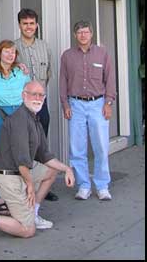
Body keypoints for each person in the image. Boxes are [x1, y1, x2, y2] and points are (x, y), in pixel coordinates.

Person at [0, 81, 75, 242]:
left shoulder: (33, 118)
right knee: (27, 230)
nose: (37, 98)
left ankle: (33, 214)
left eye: (41, 95)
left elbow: (44, 155)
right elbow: (21, 159)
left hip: (20, 171)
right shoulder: (19, 120)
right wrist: (29, 185)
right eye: (33, 94)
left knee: (51, 170)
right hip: (8, 176)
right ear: (24, 95)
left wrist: (67, 169)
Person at [59, 20, 116, 201]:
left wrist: (108, 103)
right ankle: (83, 185)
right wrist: (65, 105)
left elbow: (110, 79)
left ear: (91, 34)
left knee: (101, 146)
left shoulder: (102, 53)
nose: (83, 35)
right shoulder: (67, 56)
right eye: (79, 32)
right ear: (75, 35)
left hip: (97, 105)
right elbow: (63, 82)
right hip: (75, 105)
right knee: (77, 148)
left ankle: (102, 185)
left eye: (86, 32)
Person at [14, 8, 58, 202]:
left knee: (41, 143)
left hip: (42, 104)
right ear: (20, 25)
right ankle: (24, 186)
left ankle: (43, 185)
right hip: (21, 106)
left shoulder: (44, 46)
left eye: (32, 23)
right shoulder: (13, 48)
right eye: (25, 23)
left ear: (36, 25)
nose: (29, 27)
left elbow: (48, 73)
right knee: (24, 144)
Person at [0, 40, 30, 216]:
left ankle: (20, 194)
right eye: (6, 51)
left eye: (13, 52)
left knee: (19, 154)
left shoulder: (21, 72)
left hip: (18, 114)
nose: (10, 55)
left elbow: (30, 92)